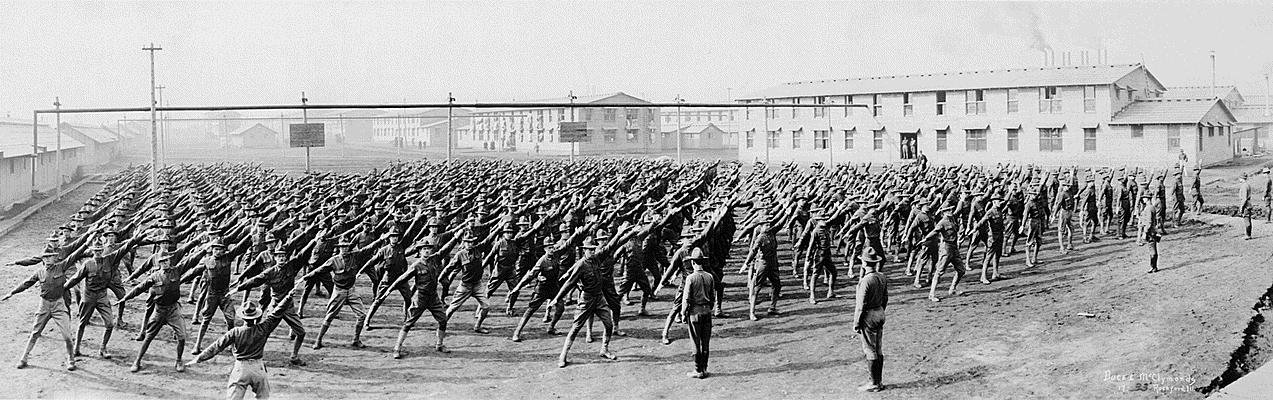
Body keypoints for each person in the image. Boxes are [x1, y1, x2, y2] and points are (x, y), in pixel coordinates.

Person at [187, 300, 295, 400]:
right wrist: (288, 297)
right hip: (259, 368)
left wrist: (197, 359)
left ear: (243, 317)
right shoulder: (263, 328)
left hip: (241, 369)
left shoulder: (235, 332)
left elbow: (216, 347)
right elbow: (277, 312)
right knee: (263, 397)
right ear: (256, 316)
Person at [1, 251, 78, 371]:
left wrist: (88, 239)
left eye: (50, 257)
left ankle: (71, 360)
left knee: (67, 335)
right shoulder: (39, 272)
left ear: (55, 258)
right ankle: (24, 358)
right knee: (35, 333)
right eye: (45, 257)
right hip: (44, 305)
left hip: (59, 304)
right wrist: (12, 293)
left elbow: (76, 254)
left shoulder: (61, 266)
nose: (47, 259)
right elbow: (26, 284)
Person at [116, 253, 189, 373]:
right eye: (162, 261)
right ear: (159, 263)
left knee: (182, 336)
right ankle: (137, 361)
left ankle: (179, 360)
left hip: (173, 310)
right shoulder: (154, 276)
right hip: (159, 311)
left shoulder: (177, 271)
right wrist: (125, 298)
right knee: (149, 336)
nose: (165, 263)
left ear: (169, 261)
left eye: (166, 261)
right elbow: (140, 287)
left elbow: (192, 259)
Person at [853, 247, 888, 392]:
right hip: (880, 312)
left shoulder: (865, 281)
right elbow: (885, 298)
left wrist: (856, 322)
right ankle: (878, 381)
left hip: (869, 315)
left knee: (870, 350)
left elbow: (860, 306)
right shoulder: (881, 277)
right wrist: (880, 311)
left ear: (864, 263)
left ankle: (874, 383)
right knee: (878, 349)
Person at [679, 247, 715, 379]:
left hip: (694, 313)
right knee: (706, 342)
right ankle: (705, 369)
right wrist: (709, 307)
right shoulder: (709, 276)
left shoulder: (690, 278)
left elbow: (686, 298)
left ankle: (697, 370)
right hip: (707, 312)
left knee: (695, 342)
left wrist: (683, 313)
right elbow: (712, 297)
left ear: (693, 262)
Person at [1136, 194, 1162, 273]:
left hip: (1150, 231)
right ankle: (1154, 267)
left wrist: (1145, 232)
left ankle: (1153, 267)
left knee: (1152, 248)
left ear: (1147, 199)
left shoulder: (1149, 208)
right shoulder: (1150, 207)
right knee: (1152, 248)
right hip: (1152, 230)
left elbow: (1149, 222)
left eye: (1144, 198)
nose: (1143, 199)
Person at [1238, 173, 1254, 240]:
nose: (1239, 179)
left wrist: (1241, 207)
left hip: (1246, 205)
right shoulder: (1247, 185)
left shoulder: (1244, 186)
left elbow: (1244, 198)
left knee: (1246, 219)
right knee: (1248, 219)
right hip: (1248, 204)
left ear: (1242, 178)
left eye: (1239, 178)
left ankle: (1248, 235)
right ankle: (1248, 234)